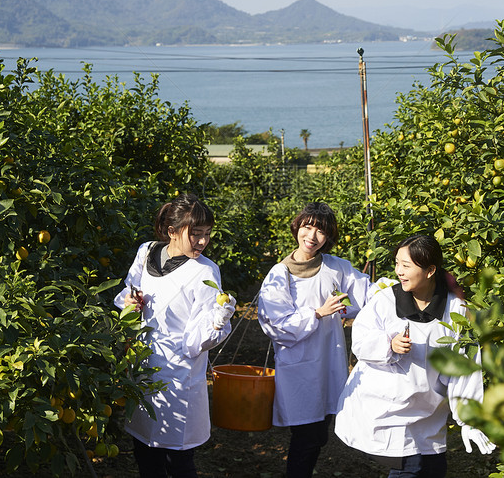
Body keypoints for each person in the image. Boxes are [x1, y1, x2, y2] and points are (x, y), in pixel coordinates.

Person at [334, 234, 495, 478]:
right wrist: (389, 345)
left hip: (428, 410)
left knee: (432, 468)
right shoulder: (386, 300)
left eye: (406, 265)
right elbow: (361, 340)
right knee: (409, 468)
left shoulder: (455, 310)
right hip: (388, 407)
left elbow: (465, 366)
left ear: (430, 270)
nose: (399, 271)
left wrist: (469, 418)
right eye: (397, 263)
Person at [114, 193, 236, 478]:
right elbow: (127, 290)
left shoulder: (205, 270)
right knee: (145, 453)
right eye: (195, 234)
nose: (203, 242)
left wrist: (219, 320)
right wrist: (131, 302)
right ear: (172, 231)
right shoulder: (146, 252)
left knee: (178, 461)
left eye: (207, 234)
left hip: (177, 374)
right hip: (142, 365)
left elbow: (198, 339)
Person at [257, 202, 372, 478]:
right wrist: (317, 313)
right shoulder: (279, 274)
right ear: (297, 227)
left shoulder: (337, 268)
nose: (311, 236)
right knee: (306, 437)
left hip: (329, 363)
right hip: (299, 368)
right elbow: (277, 325)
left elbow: (366, 295)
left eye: (320, 231)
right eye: (307, 227)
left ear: (328, 237)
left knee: (319, 434)